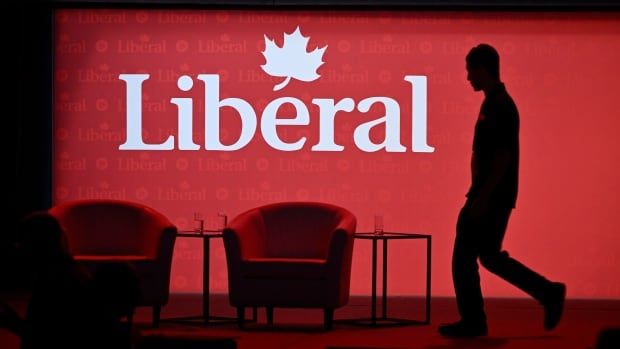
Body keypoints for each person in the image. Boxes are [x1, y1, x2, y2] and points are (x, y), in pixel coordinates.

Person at [438, 43, 566, 338]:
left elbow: (502, 158)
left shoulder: (501, 106)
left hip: (491, 197)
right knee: (490, 257)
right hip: (488, 194)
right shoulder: (493, 102)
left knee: (464, 257)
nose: (468, 77)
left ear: (483, 68)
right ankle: (547, 293)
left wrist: (482, 198)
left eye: (471, 70)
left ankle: (474, 320)